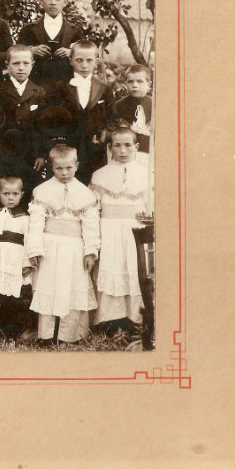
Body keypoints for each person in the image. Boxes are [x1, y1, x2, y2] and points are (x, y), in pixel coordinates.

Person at [25, 144, 100, 343]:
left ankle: (70, 335)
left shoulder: (86, 194)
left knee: (73, 286)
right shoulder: (42, 191)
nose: (64, 173)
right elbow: (35, 224)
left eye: (69, 167)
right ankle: (46, 335)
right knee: (48, 286)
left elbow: (91, 226)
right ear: (51, 167)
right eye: (59, 168)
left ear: (77, 165)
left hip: (75, 247)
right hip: (49, 246)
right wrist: (35, 249)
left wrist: (90, 252)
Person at [89, 127, 147, 331]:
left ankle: (136, 318)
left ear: (137, 147)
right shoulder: (100, 176)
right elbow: (93, 209)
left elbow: (150, 207)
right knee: (111, 266)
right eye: (117, 146)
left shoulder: (147, 175)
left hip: (135, 230)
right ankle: (109, 319)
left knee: (133, 267)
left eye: (128, 145)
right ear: (110, 148)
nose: (123, 150)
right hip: (109, 230)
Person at [48, 40, 115, 184]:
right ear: (71, 61)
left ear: (96, 61)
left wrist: (104, 135)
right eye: (79, 60)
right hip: (68, 150)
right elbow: (51, 119)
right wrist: (60, 141)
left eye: (89, 60)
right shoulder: (60, 87)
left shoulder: (104, 88)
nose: (84, 65)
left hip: (95, 150)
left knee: (95, 185)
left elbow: (112, 119)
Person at [0, 175, 33, 339]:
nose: (10, 198)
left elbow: (29, 241)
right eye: (6, 194)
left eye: (15, 194)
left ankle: (11, 329)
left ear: (22, 195)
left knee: (12, 297)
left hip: (13, 262)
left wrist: (27, 263)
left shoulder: (25, 218)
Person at [16, 0, 84, 92]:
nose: (53, 2)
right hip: (36, 85)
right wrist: (31, 50)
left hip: (66, 88)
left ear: (65, 2)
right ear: (42, 1)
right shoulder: (28, 29)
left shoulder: (75, 30)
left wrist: (71, 52)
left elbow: (85, 55)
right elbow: (17, 53)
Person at [0, 44, 48, 173]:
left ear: (32, 64)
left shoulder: (39, 91)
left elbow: (42, 126)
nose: (21, 68)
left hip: (30, 153)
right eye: (16, 63)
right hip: (4, 151)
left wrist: (41, 154)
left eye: (26, 63)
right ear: (7, 65)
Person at [108, 64, 153, 160]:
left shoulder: (155, 105)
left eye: (140, 81)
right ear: (126, 84)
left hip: (149, 153)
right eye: (130, 82)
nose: (135, 85)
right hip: (124, 154)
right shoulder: (118, 106)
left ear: (148, 84)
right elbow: (112, 130)